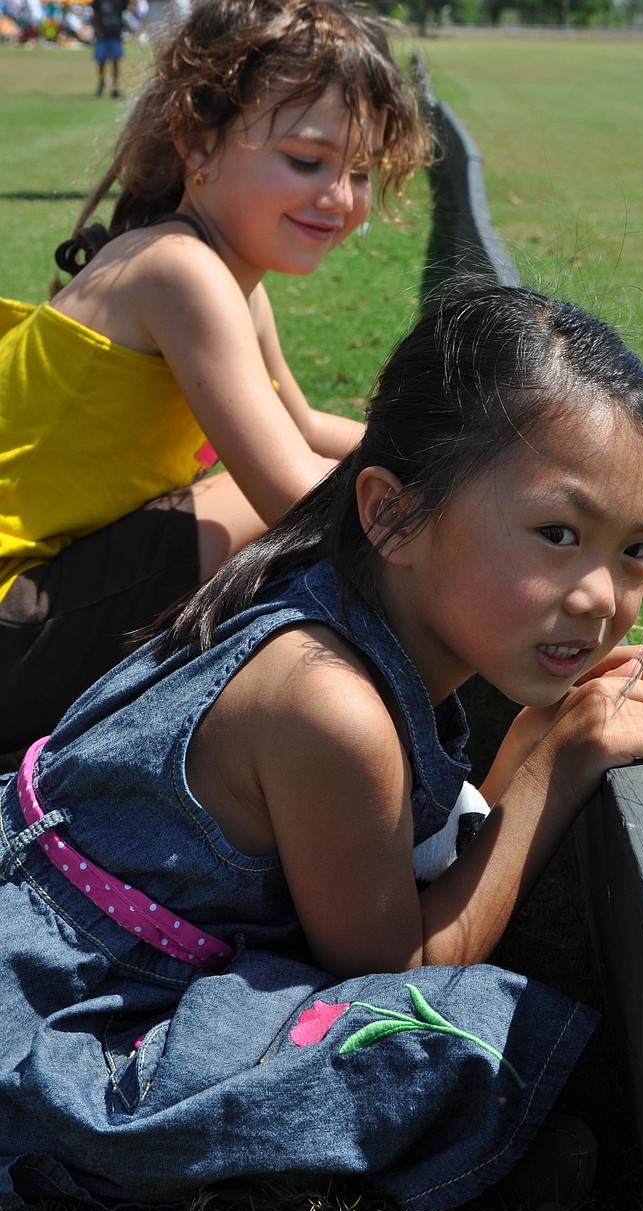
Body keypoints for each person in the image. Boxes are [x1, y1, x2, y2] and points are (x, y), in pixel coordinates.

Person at [0, 286, 643, 1211]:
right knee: (460, 1029)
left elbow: (410, 845)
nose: (601, 596)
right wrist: (557, 772)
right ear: (394, 513)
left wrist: (538, 740)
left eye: (635, 551)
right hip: (51, 1020)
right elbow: (392, 971)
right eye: (556, 535)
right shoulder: (332, 704)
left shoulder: (339, 608)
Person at [0, 0, 431, 755]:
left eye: (359, 173)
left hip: (40, 607)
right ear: (197, 144)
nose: (339, 198)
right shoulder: (182, 271)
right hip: (13, 632)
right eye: (306, 161)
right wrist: (461, 532)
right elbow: (292, 494)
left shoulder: (224, 273)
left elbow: (304, 429)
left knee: (339, 480)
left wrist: (458, 466)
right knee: (310, 507)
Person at [91, 0, 127, 98]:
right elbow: (95, 14)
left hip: (115, 34)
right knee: (101, 61)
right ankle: (102, 82)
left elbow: (129, 7)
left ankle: (115, 87)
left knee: (116, 60)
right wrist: (97, 29)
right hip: (102, 35)